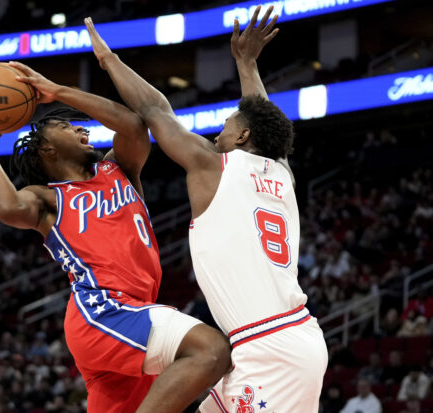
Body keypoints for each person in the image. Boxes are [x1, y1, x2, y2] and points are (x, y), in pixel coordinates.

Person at [83, 5, 328, 412]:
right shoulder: (281, 172)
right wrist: (247, 65)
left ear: (243, 135)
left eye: (229, 123)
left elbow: (154, 110)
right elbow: (263, 119)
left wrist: (110, 61)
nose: (220, 130)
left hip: (269, 349)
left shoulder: (213, 165)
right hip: (275, 340)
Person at [0, 61, 231, 413]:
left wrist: (57, 91)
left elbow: (133, 125)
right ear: (47, 151)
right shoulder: (49, 197)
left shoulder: (118, 168)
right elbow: (9, 207)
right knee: (211, 350)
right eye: (65, 127)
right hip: (103, 310)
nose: (81, 129)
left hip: (134, 310)